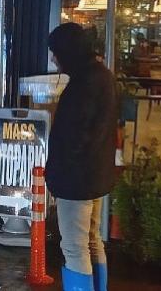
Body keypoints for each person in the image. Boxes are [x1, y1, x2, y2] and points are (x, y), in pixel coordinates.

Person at [46, 23, 118, 291]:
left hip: (77, 181)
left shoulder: (83, 83)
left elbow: (75, 137)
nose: (54, 58)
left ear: (68, 51)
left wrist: (58, 175)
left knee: (74, 246)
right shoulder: (102, 75)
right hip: (96, 175)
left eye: (56, 52)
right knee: (91, 239)